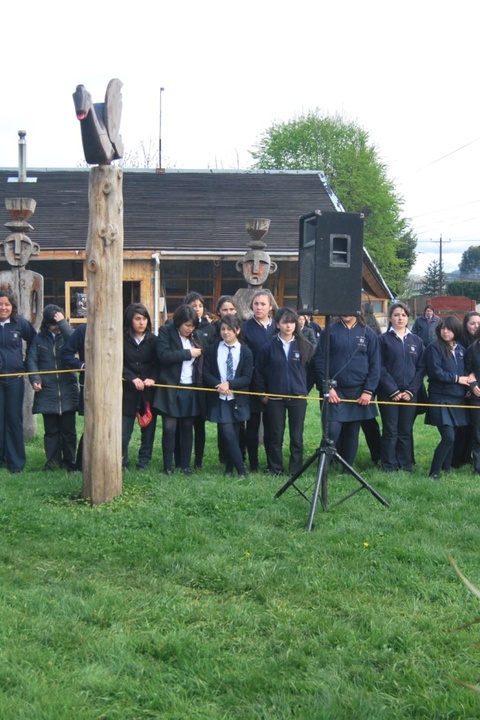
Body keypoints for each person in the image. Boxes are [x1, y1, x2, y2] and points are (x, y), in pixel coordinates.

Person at [314, 313, 381, 468]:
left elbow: (375, 365)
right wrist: (328, 387)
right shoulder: (329, 331)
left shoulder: (368, 334)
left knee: (353, 431)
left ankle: (347, 468)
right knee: (332, 430)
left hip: (359, 392)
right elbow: (320, 360)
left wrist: (368, 391)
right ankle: (323, 467)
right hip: (336, 391)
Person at [255, 308, 315, 477]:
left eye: (292, 322)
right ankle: (276, 468)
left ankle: (296, 470)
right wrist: (262, 393)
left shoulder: (305, 346)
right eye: (284, 322)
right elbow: (259, 371)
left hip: (298, 398)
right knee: (275, 435)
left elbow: (312, 372)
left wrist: (304, 389)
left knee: (297, 437)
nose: (288, 325)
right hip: (275, 398)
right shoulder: (268, 347)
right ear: (278, 324)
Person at [153, 304, 205, 475]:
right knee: (169, 427)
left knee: (187, 427)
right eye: (187, 326)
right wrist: (188, 353)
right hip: (170, 387)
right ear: (179, 323)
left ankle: (185, 465)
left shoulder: (195, 336)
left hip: (190, 387)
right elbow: (163, 356)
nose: (190, 329)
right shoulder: (165, 332)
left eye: (193, 326)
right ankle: (168, 466)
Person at [27, 305, 78, 471]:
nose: (57, 327)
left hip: (67, 390)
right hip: (47, 391)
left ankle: (70, 461)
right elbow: (32, 360)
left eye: (60, 322)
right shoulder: (38, 339)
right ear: (47, 324)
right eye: (54, 324)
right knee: (51, 432)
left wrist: (63, 324)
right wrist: (35, 378)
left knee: (69, 431)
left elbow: (74, 341)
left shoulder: (68, 335)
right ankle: (53, 462)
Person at [377, 302, 425, 473]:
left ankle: (405, 465)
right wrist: (393, 390)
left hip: (410, 394)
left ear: (408, 318)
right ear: (390, 318)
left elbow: (421, 368)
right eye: (396, 315)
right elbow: (379, 367)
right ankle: (389, 465)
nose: (400, 318)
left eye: (404, 315)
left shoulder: (417, 341)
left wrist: (411, 390)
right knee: (390, 430)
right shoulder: (382, 340)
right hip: (388, 393)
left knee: (405, 430)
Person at [203, 314, 253, 476]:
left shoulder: (245, 351)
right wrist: (219, 385)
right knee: (227, 432)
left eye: (229, 330)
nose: (225, 333)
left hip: (237, 398)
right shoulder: (213, 350)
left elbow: (247, 377)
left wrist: (230, 384)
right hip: (220, 398)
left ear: (237, 331)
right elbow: (206, 372)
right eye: (223, 329)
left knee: (236, 434)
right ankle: (242, 470)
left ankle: (229, 468)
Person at [424, 316, 470, 481]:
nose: (445, 331)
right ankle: (434, 473)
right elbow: (435, 372)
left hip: (457, 399)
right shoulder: (433, 347)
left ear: (456, 331)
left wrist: (468, 387)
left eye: (449, 329)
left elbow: (466, 372)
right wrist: (458, 379)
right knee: (448, 436)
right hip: (440, 397)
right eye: (442, 328)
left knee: (454, 435)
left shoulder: (461, 350)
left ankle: (446, 468)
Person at [0, 289, 37, 473]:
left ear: (12, 306)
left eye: (7, 304)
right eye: (0, 304)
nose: (3, 308)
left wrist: (24, 363)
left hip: (14, 380)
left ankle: (16, 463)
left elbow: (34, 341)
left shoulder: (19, 323)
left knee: (14, 420)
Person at [241, 288, 278, 472]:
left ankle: (272, 464)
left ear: (270, 306)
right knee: (253, 426)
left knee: (272, 427)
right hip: (252, 383)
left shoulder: (277, 327)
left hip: (274, 383)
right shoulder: (246, 328)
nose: (259, 307)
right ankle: (253, 464)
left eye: (263, 304)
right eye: (256, 304)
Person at [122, 303, 158, 470]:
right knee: (124, 431)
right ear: (130, 320)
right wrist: (131, 378)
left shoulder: (154, 340)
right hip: (127, 392)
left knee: (148, 432)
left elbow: (159, 363)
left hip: (148, 393)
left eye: (144, 319)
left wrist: (152, 378)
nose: (141, 322)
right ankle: (122, 461)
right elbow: (117, 362)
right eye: (137, 319)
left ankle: (143, 462)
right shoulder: (121, 340)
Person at [183, 291, 215, 469]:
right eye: (194, 306)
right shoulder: (179, 326)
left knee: (199, 424)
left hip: (202, 383)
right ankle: (182, 458)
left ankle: (199, 461)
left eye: (200, 306)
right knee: (184, 423)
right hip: (185, 381)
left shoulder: (209, 328)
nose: (197, 309)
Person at [451, 310, 480, 468]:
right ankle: (460, 458)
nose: (476, 326)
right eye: (472, 323)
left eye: (478, 323)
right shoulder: (467, 346)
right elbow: (466, 369)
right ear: (466, 325)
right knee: (467, 428)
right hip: (465, 391)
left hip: (472, 390)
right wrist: (471, 384)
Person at [62, 323, 87, 470]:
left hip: (115, 384)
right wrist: (83, 365)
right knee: (91, 425)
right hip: (89, 384)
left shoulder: (118, 327)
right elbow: (67, 354)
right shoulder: (83, 330)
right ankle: (81, 464)